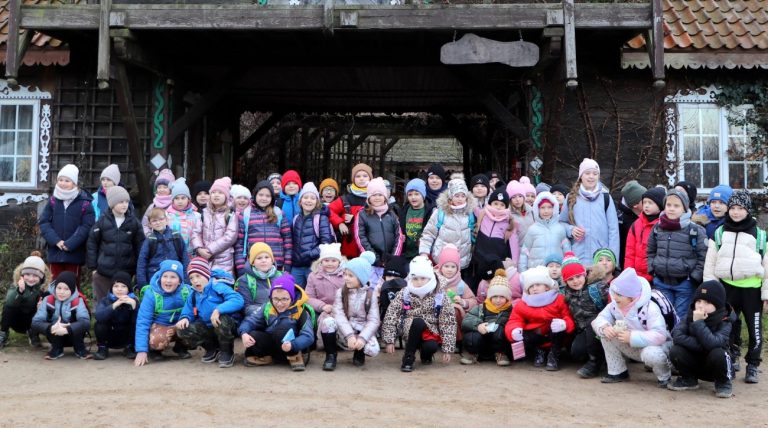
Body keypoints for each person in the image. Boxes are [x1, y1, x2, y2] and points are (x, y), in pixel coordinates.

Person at [703, 190, 768, 384]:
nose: (736, 212)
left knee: (753, 327)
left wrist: (766, 294)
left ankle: (753, 365)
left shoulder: (760, 234)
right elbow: (711, 262)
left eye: (740, 208)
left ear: (748, 210)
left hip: (752, 289)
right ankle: (732, 355)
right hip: (726, 288)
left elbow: (767, 265)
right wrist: (710, 290)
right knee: (729, 326)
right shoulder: (720, 232)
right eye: (732, 208)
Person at [592, 268, 673, 386]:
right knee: (605, 333)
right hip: (632, 346)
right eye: (614, 293)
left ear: (632, 297)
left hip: (656, 348)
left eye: (619, 295)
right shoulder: (615, 305)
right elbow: (599, 319)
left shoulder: (649, 308)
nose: (614, 297)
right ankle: (617, 371)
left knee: (651, 354)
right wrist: (604, 327)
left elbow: (660, 335)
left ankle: (665, 377)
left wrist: (632, 337)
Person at [382, 256, 457, 372]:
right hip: (409, 327)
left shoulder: (440, 294)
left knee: (431, 346)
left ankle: (426, 355)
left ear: (430, 277)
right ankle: (408, 356)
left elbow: (448, 322)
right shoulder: (405, 292)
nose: (419, 282)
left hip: (431, 330)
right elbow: (392, 314)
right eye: (415, 278)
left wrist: (447, 349)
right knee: (417, 321)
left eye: (423, 278)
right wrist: (390, 340)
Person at [668, 280, 736, 398]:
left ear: (718, 305)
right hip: (695, 362)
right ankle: (689, 379)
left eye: (707, 302)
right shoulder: (690, 315)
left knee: (718, 353)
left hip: (715, 366)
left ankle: (723, 383)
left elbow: (714, 343)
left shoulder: (725, 321)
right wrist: (701, 345)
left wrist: (699, 322)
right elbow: (677, 336)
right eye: (698, 301)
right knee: (676, 350)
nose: (700, 305)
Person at [646, 189, 707, 319]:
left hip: (684, 283)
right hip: (661, 282)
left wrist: (694, 277)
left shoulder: (695, 230)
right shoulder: (657, 228)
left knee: (680, 317)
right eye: (668, 205)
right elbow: (650, 251)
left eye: (676, 206)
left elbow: (703, 257)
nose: (671, 209)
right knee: (663, 317)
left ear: (684, 208)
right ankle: (664, 340)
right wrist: (652, 269)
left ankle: (678, 340)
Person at [175, 258, 244, 368]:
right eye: (192, 278)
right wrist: (185, 318)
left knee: (221, 320)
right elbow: (187, 311)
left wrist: (218, 310)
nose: (195, 281)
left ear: (206, 275)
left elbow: (238, 300)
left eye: (198, 276)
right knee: (182, 328)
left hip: (227, 325)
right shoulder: (193, 294)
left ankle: (227, 351)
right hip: (207, 327)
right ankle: (212, 348)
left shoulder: (218, 286)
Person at [238, 273, 315, 371]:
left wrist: (293, 345)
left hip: (291, 345)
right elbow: (250, 321)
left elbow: (308, 336)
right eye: (275, 299)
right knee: (252, 334)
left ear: (292, 297)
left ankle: (294, 356)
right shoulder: (267, 306)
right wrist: (244, 333)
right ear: (271, 297)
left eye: (284, 299)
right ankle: (271, 357)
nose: (279, 303)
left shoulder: (302, 311)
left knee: (284, 325)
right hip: (273, 340)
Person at [505, 265, 575, 371]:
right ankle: (538, 351)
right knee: (521, 334)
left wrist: (565, 324)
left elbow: (568, 316)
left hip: (555, 335)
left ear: (546, 286)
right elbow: (515, 320)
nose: (534, 288)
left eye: (538, 285)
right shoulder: (522, 304)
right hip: (535, 335)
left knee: (557, 327)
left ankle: (554, 354)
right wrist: (513, 330)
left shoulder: (559, 299)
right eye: (531, 286)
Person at [38, 164, 95, 285]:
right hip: (55, 252)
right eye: (60, 180)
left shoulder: (85, 203)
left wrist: (71, 243)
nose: (63, 183)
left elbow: (86, 226)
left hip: (74, 253)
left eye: (67, 181)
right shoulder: (53, 201)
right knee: (53, 286)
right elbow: (44, 222)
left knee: (72, 286)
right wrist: (56, 241)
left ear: (74, 183)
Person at [325, 251, 381, 370]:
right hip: (345, 328)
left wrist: (362, 338)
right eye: (345, 274)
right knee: (328, 322)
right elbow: (338, 315)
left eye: (350, 276)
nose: (346, 278)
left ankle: (359, 352)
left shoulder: (371, 295)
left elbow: (374, 320)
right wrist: (349, 335)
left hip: (361, 328)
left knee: (373, 349)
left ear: (361, 278)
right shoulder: (341, 292)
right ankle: (331, 355)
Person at [87, 185, 144, 302]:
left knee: (124, 303)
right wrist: (93, 267)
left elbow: (140, 246)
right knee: (103, 302)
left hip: (126, 271)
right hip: (104, 271)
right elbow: (92, 242)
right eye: (120, 202)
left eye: (126, 202)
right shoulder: (102, 221)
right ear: (112, 204)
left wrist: (138, 269)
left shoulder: (134, 222)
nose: (124, 204)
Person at [559, 158, 619, 267]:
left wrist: (613, 260)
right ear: (581, 176)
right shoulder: (570, 198)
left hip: (601, 259)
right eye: (587, 173)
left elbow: (613, 231)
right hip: (577, 256)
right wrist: (570, 230)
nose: (591, 176)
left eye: (595, 173)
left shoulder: (606, 198)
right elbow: (561, 223)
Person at [134, 260, 193, 366]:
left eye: (173, 277)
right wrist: (141, 350)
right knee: (157, 342)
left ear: (180, 280)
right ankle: (154, 351)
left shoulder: (187, 291)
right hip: (160, 326)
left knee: (194, 328)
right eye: (165, 276)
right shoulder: (151, 294)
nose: (168, 280)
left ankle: (180, 347)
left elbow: (195, 312)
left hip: (179, 325)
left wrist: (176, 327)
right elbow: (143, 321)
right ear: (160, 277)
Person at [560, 252, 608, 378]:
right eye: (570, 279)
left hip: (601, 326)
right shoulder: (566, 293)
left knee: (592, 322)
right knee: (577, 353)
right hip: (581, 329)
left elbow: (610, 307)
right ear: (565, 281)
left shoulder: (597, 287)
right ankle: (600, 357)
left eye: (578, 276)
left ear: (584, 273)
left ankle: (595, 363)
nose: (575, 281)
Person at [233, 180, 292, 277]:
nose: (264, 198)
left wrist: (287, 265)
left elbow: (287, 241)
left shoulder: (278, 213)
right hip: (253, 266)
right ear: (255, 195)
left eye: (268, 196)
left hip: (277, 265)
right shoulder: (245, 214)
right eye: (261, 195)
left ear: (272, 198)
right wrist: (240, 268)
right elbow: (239, 244)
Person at [354, 177, 404, 288]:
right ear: (369, 197)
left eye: (380, 195)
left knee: (387, 290)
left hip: (389, 263)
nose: (377, 198)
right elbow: (360, 237)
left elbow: (399, 237)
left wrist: (392, 258)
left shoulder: (392, 214)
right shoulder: (362, 214)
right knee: (371, 291)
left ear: (385, 197)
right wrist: (373, 258)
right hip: (371, 263)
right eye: (374, 195)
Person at [419, 179, 477, 271]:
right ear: (450, 197)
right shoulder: (440, 213)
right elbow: (428, 234)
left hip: (463, 262)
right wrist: (424, 253)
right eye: (456, 195)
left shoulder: (470, 213)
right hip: (441, 262)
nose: (460, 199)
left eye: (463, 196)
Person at [30, 272, 91, 360]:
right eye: (59, 288)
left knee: (78, 326)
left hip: (73, 334)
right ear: (55, 287)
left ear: (72, 289)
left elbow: (85, 322)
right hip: (54, 333)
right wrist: (51, 328)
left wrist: (67, 329)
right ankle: (56, 349)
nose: (62, 292)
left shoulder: (78, 301)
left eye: (66, 289)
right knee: (52, 326)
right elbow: (35, 322)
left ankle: (80, 349)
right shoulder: (48, 300)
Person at [460, 270, 513, 366]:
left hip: (499, 342)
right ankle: (472, 353)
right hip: (482, 340)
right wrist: (478, 325)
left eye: (502, 297)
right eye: (495, 296)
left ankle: (501, 354)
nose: (498, 300)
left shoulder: (511, 310)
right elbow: (466, 321)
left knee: (501, 330)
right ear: (489, 297)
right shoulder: (481, 308)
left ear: (507, 298)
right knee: (472, 335)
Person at [0, 253, 50, 348]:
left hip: (32, 321)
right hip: (16, 320)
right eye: (27, 274)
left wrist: (42, 307)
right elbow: (10, 302)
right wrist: (20, 291)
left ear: (42, 277)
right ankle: (3, 334)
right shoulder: (16, 284)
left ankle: (33, 334)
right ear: (22, 275)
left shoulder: (45, 289)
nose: (31, 279)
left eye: (35, 276)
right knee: (8, 307)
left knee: (44, 309)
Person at [472, 188, 518, 289]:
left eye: (502, 205)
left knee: (493, 286)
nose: (498, 207)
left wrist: (514, 263)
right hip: (479, 258)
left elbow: (514, 245)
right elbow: (470, 203)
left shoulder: (508, 222)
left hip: (496, 262)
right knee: (478, 286)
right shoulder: (483, 214)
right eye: (495, 203)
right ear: (490, 203)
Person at [191, 177, 238, 274]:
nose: (216, 195)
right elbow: (196, 232)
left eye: (220, 193)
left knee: (221, 285)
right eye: (213, 192)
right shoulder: (204, 213)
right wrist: (199, 248)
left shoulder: (230, 214)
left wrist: (210, 250)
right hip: (203, 258)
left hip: (224, 260)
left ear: (226, 196)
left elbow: (230, 236)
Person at [291, 182, 335, 287]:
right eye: (305, 197)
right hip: (297, 265)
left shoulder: (321, 218)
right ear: (300, 201)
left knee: (312, 295)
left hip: (313, 265)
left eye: (312, 198)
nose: (309, 200)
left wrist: (310, 254)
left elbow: (326, 243)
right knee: (295, 294)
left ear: (317, 202)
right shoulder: (296, 218)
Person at [136, 207, 190, 289]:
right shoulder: (150, 240)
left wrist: (186, 281)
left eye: (161, 219)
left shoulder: (176, 236)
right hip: (154, 279)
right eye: (154, 221)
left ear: (167, 220)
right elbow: (142, 263)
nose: (158, 223)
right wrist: (143, 285)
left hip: (175, 278)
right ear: (150, 224)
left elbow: (185, 259)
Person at [305, 243, 345, 354]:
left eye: (333, 260)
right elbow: (308, 297)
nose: (330, 264)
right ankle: (324, 344)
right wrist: (322, 306)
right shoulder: (313, 276)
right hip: (322, 308)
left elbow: (350, 294)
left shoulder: (346, 275)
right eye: (326, 260)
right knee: (315, 318)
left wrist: (339, 307)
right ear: (321, 261)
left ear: (339, 261)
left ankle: (341, 340)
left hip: (342, 308)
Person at [435, 244, 476, 349]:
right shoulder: (434, 280)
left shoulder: (460, 284)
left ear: (457, 268)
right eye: (446, 266)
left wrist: (463, 302)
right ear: (440, 266)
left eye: (453, 266)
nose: (449, 269)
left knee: (454, 310)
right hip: (436, 312)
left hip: (454, 315)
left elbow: (473, 300)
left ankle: (456, 340)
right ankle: (436, 339)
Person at [328, 163, 372, 259]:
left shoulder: (375, 198)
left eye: (365, 176)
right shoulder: (345, 199)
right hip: (348, 249)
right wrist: (340, 223)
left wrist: (356, 218)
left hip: (369, 247)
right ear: (353, 179)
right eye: (358, 176)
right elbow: (328, 210)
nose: (361, 178)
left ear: (370, 178)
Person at [519, 191, 570, 272]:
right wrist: (523, 273)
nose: (546, 211)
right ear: (537, 209)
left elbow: (567, 252)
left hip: (556, 273)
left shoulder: (560, 229)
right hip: (536, 274)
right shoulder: (532, 229)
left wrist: (568, 270)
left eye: (549, 207)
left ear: (554, 208)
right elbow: (524, 253)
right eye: (542, 208)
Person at [93, 271, 138, 360]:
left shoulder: (134, 300)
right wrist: (114, 305)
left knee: (136, 324)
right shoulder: (105, 300)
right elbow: (98, 316)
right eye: (116, 286)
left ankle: (129, 347)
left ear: (129, 289)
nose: (119, 289)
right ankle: (102, 348)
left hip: (126, 337)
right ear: (111, 288)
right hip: (110, 336)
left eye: (123, 286)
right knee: (99, 324)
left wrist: (134, 308)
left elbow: (140, 322)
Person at [624, 186, 664, 282]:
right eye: (644, 202)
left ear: (660, 205)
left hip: (656, 276)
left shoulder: (663, 225)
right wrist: (628, 273)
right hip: (636, 275)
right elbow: (630, 252)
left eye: (650, 203)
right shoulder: (636, 225)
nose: (646, 205)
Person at [236, 243, 283, 318]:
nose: (263, 260)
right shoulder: (244, 280)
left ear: (272, 260)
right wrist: (268, 312)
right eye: (259, 258)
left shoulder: (282, 276)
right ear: (253, 262)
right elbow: (246, 308)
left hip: (281, 315)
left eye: (267, 257)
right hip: (257, 318)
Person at [399, 178, 434, 261]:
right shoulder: (404, 210)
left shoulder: (430, 211)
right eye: (410, 194)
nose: (413, 197)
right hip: (406, 253)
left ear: (423, 195)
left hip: (423, 253)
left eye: (417, 194)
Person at [165, 177, 201, 258]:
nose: (180, 201)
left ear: (188, 199)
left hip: (192, 255)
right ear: (172, 200)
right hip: (172, 254)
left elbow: (198, 234)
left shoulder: (196, 216)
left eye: (183, 198)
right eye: (177, 198)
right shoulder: (167, 215)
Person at [617, 180, 647, 267]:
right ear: (635, 205)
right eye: (644, 201)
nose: (648, 203)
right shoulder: (625, 222)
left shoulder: (643, 214)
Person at [141, 168, 175, 236]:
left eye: (165, 187)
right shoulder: (152, 206)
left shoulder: (175, 204)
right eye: (159, 187)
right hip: (156, 242)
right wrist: (149, 235)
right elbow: (145, 224)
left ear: (171, 189)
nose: (161, 190)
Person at [506, 178, 535, 243]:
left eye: (520, 196)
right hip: (517, 249)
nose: (517, 199)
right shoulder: (508, 214)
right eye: (513, 197)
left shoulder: (531, 211)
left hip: (531, 248)